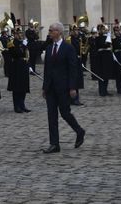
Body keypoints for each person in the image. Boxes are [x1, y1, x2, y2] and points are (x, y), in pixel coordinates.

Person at [42, 22, 86, 154]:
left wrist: (73, 87)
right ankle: (54, 144)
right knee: (51, 116)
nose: (49, 33)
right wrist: (44, 87)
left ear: (58, 32)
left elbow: (73, 69)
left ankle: (79, 131)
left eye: (51, 30)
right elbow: (47, 69)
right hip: (51, 88)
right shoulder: (49, 48)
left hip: (64, 87)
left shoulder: (68, 48)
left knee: (65, 113)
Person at [7, 26, 31, 113]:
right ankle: (16, 106)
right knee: (17, 88)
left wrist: (29, 65)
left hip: (24, 66)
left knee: (24, 86)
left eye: (20, 33)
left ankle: (22, 105)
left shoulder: (22, 43)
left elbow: (27, 55)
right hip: (16, 67)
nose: (20, 35)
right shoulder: (12, 43)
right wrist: (24, 46)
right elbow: (17, 54)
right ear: (14, 34)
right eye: (18, 33)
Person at [65, 22, 84, 106]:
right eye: (75, 30)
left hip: (78, 61)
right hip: (72, 61)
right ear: (71, 31)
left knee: (78, 80)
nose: (77, 32)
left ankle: (76, 98)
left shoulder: (79, 39)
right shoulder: (69, 39)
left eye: (77, 30)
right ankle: (72, 99)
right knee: (73, 80)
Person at [95, 22, 113, 96]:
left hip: (107, 58)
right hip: (101, 58)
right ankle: (101, 91)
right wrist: (106, 44)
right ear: (99, 30)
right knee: (101, 75)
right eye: (101, 29)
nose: (103, 30)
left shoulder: (107, 37)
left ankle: (105, 90)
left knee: (106, 75)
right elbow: (101, 45)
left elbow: (109, 45)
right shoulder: (97, 38)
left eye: (103, 29)